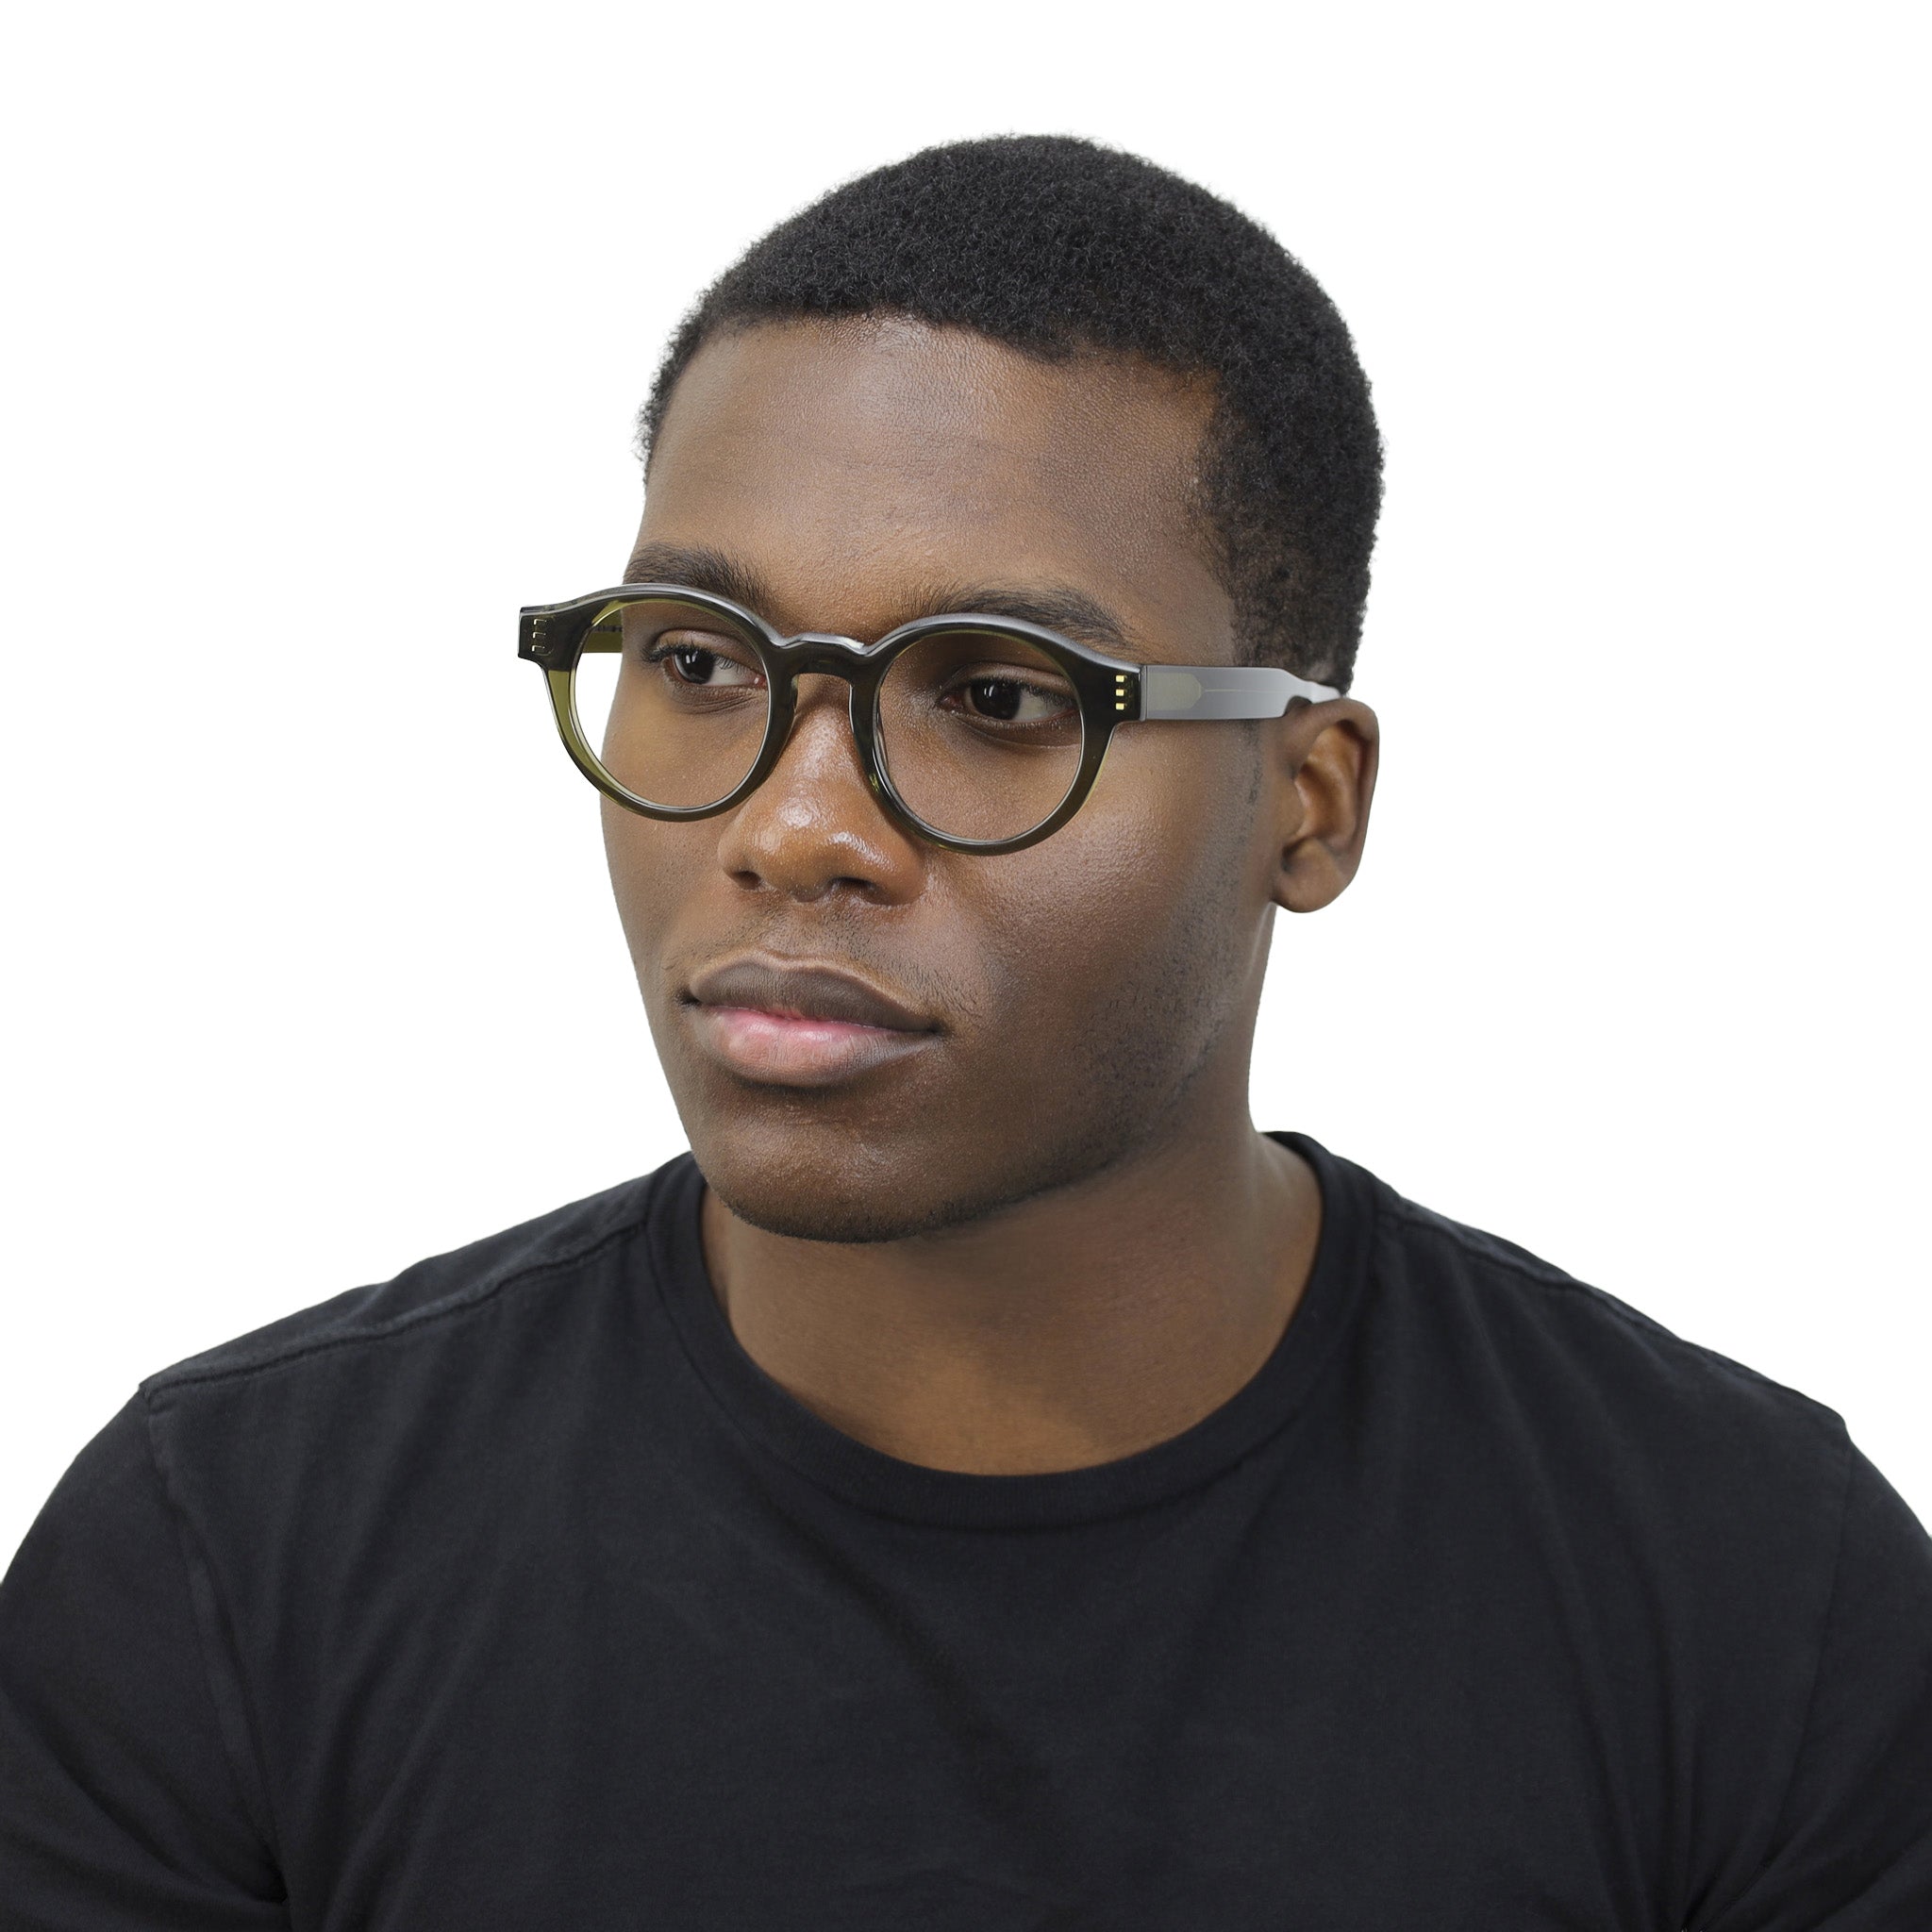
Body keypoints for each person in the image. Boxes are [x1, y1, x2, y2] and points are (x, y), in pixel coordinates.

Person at [3, 134, 1926, 1930]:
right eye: (696, 660)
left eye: (997, 696)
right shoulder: (221, 1568)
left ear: (1308, 801)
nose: (792, 828)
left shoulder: (1757, 1608)